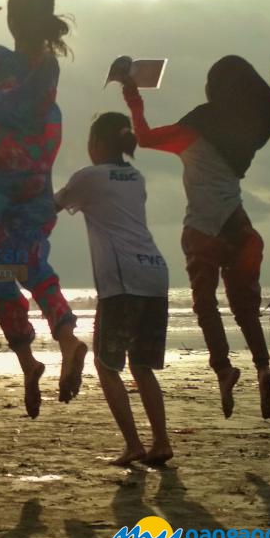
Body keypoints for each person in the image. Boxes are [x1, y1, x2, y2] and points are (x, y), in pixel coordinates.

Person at [119, 45, 270, 420]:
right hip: (238, 225)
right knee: (245, 305)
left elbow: (146, 137)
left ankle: (223, 369)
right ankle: (263, 367)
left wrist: (132, 95)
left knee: (205, 303)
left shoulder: (193, 129)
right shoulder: (248, 132)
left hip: (202, 228)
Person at [0, 0, 87, 419]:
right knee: (32, 260)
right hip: (34, 181)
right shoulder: (48, 66)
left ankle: (28, 361)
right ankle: (66, 338)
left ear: (10, 20)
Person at [55, 113, 172, 466]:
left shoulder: (89, 177)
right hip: (155, 273)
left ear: (98, 144)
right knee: (141, 365)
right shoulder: (137, 177)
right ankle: (162, 442)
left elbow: (52, 206)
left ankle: (134, 445)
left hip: (122, 282)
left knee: (107, 365)